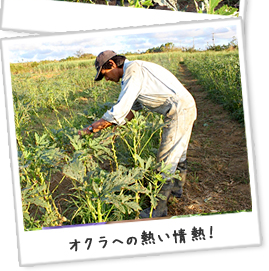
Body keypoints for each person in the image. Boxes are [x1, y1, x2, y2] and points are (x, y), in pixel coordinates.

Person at [78, 50, 197, 218]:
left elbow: (118, 112)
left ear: (111, 64)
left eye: (105, 74)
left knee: (166, 161)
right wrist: (112, 130)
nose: (106, 79)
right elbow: (131, 111)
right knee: (178, 153)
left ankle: (159, 210)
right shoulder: (133, 73)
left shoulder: (133, 71)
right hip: (184, 107)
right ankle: (176, 193)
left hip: (179, 110)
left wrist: (89, 130)